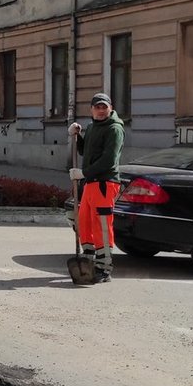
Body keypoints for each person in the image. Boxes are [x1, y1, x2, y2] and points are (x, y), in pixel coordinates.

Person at [69, 92, 124, 283]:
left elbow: (109, 160)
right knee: (84, 222)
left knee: (102, 226)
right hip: (92, 183)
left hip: (104, 183)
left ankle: (104, 268)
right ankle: (89, 260)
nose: (101, 111)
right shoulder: (93, 127)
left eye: (104, 107)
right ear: (91, 109)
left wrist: (83, 173)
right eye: (97, 107)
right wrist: (78, 136)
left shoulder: (114, 129)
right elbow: (86, 151)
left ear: (111, 108)